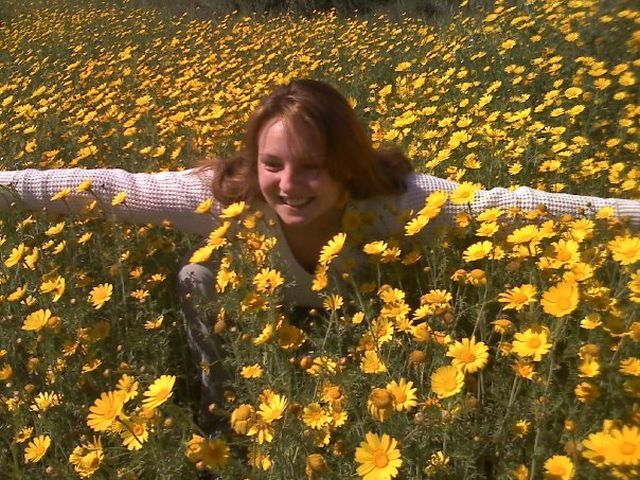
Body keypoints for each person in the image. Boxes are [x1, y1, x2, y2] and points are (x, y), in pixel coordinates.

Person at [1, 79, 639, 435]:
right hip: (270, 311)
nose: (287, 183)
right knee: (195, 273)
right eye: (273, 163)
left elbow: (520, 204)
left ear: (345, 164)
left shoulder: (396, 202)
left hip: (374, 321)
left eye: (312, 167)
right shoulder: (227, 199)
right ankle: (219, 407)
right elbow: (110, 188)